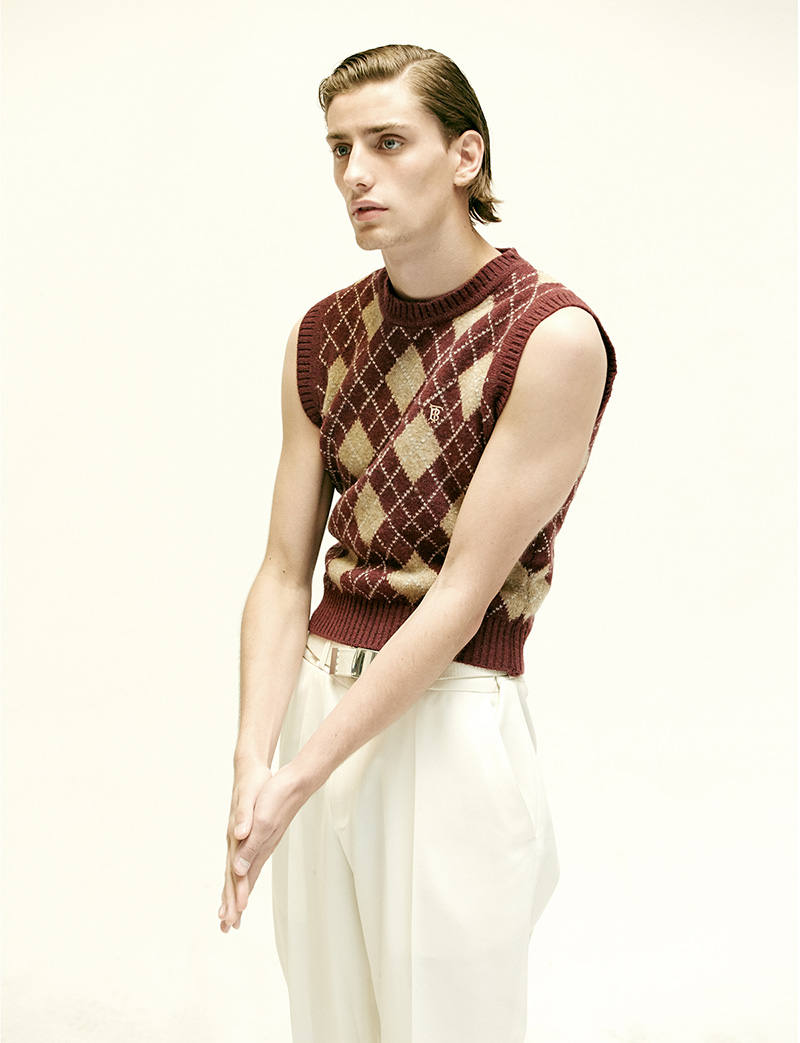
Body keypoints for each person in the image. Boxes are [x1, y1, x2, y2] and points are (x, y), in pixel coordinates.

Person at [218, 43, 616, 1043]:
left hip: (448, 715)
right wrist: (254, 763)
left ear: (464, 156)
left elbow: (460, 596)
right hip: (318, 701)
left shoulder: (550, 335)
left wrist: (298, 777)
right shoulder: (322, 335)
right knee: (329, 1027)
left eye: (387, 142)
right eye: (339, 148)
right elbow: (282, 571)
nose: (355, 173)